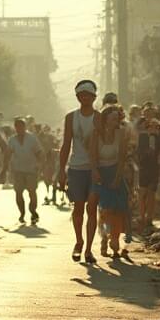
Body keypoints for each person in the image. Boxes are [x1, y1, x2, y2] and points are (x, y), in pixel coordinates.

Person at [58, 80, 100, 264]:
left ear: (94, 97)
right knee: (78, 208)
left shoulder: (99, 117)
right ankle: (79, 241)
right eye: (82, 95)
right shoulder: (71, 117)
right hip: (76, 168)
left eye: (88, 95)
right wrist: (61, 170)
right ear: (77, 97)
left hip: (95, 169)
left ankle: (89, 249)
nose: (85, 98)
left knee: (92, 208)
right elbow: (66, 144)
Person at [90, 103, 131, 260]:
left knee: (118, 210)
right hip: (101, 174)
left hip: (116, 172)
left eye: (117, 118)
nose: (116, 121)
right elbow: (93, 156)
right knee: (105, 210)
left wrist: (117, 178)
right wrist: (95, 173)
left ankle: (115, 240)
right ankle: (104, 236)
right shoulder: (96, 134)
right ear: (105, 119)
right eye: (113, 118)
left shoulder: (121, 134)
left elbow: (122, 159)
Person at [2, 117, 44, 224]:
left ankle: (33, 211)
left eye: (21, 127)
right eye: (17, 127)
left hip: (31, 169)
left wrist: (40, 164)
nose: (19, 129)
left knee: (32, 192)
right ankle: (22, 213)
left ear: (25, 127)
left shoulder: (32, 138)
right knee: (18, 192)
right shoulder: (12, 140)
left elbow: (39, 152)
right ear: (15, 128)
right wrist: (4, 168)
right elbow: (8, 154)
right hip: (18, 170)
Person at [135, 103, 160, 233]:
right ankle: (141, 216)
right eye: (150, 126)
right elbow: (138, 151)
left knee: (151, 193)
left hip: (154, 167)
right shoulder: (142, 135)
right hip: (143, 167)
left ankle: (149, 217)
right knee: (142, 192)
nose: (153, 128)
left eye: (155, 126)